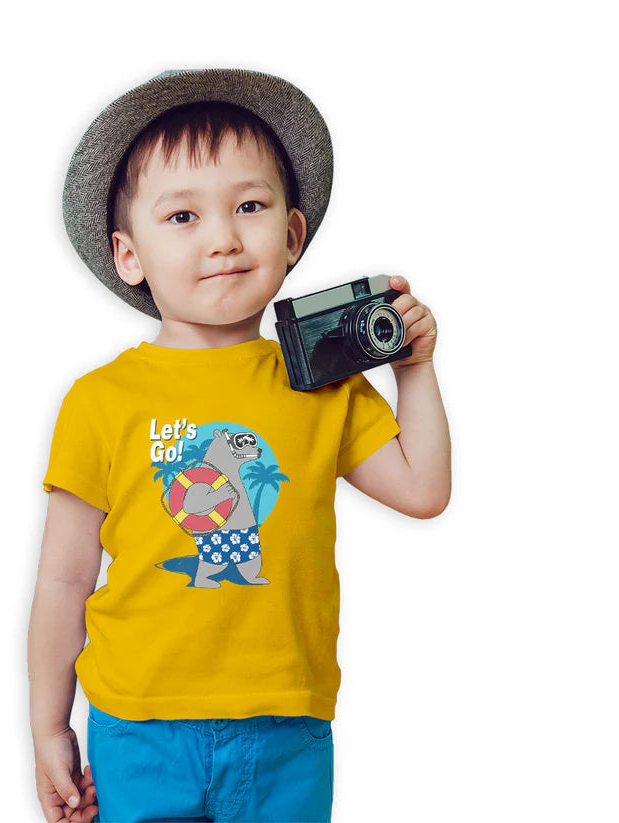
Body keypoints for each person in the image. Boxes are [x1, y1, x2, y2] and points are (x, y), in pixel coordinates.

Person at [28, 68, 451, 823]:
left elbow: (423, 490)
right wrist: (48, 725)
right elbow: (64, 580)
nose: (223, 238)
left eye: (249, 206)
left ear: (291, 235)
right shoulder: (100, 401)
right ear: (129, 255)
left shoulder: (321, 383)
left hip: (286, 726)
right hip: (138, 725)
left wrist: (412, 369)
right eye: (182, 216)